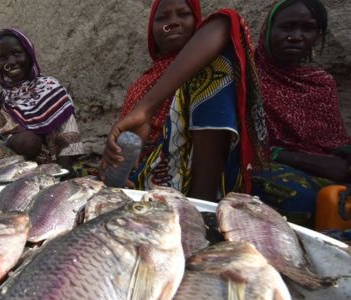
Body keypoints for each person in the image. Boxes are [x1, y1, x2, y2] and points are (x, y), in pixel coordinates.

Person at [103, 0, 267, 202]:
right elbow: (128, 144)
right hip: (150, 176)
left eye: (183, 14)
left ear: (197, 22)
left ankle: (202, 202)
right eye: (162, 18)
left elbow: (226, 21)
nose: (172, 22)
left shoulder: (202, 61)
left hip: (194, 172)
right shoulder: (142, 82)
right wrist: (117, 166)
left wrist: (145, 109)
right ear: (151, 31)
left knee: (214, 68)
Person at [251, 0, 351, 226]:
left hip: (322, 166)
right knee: (300, 197)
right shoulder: (247, 75)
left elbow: (334, 141)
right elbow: (242, 144)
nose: (297, 36)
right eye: (287, 27)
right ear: (268, 30)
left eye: (308, 29)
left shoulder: (321, 83)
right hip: (259, 164)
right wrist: (302, 160)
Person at [0, 28, 84, 171]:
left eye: (16, 53)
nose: (10, 62)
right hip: (13, 166)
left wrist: (63, 173)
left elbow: (68, 134)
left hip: (53, 165)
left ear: (29, 54)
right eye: (3, 58)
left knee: (28, 142)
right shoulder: (3, 98)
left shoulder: (51, 88)